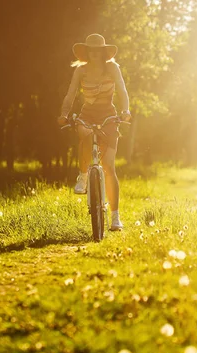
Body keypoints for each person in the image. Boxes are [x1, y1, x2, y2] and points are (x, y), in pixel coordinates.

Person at [58, 33, 131, 231]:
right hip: (87, 114)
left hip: (108, 114)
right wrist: (64, 113)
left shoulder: (112, 68)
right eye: (91, 50)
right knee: (85, 134)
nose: (94, 53)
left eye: (98, 49)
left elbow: (123, 91)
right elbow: (70, 94)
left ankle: (115, 218)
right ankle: (83, 176)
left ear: (104, 52)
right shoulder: (81, 71)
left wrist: (126, 111)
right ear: (86, 52)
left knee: (108, 166)